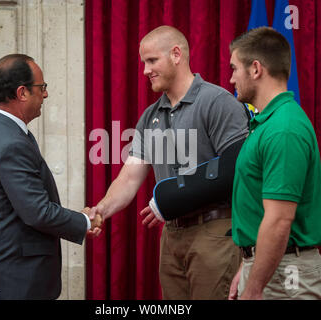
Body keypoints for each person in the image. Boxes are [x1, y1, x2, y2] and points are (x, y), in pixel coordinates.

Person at [88, 26, 249, 299]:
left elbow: (237, 169)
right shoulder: (150, 116)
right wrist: (100, 209)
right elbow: (129, 176)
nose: (145, 71)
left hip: (214, 233)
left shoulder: (217, 102)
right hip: (171, 237)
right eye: (143, 63)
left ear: (176, 54)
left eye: (152, 61)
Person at [0, 54, 102, 300]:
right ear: (22, 92)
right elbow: (37, 212)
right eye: (42, 87)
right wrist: (85, 222)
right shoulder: (10, 142)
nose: (45, 94)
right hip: (11, 281)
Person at [228, 27, 321, 300]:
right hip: (271, 267)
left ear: (256, 69)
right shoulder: (268, 123)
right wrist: (248, 265)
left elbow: (280, 220)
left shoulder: (283, 129)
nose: (231, 77)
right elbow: (261, 212)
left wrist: (255, 287)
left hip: (285, 277)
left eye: (235, 68)